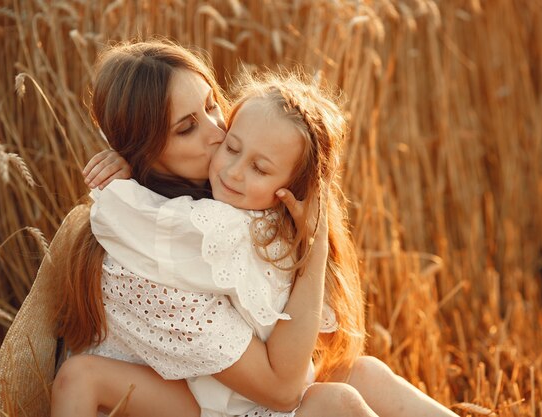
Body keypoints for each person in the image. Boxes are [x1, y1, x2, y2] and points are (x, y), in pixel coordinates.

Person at [52, 40, 458, 417]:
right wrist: (312, 245)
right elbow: (281, 390)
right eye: (186, 127)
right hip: (211, 403)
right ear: (143, 150)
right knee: (337, 402)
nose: (218, 132)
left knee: (363, 372)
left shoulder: (223, 201)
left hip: (224, 393)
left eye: (212, 105)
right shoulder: (157, 256)